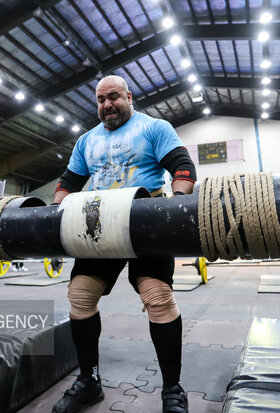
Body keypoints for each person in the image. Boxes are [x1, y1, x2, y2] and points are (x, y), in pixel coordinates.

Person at [51, 75, 196, 413]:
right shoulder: (87, 140)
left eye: (113, 97)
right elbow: (67, 183)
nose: (106, 105)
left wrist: (174, 205)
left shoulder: (154, 127)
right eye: (101, 100)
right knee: (80, 295)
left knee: (158, 298)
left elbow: (182, 168)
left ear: (129, 97)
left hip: (146, 221)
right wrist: (60, 213)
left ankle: (172, 389)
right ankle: (89, 381)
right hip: (100, 222)